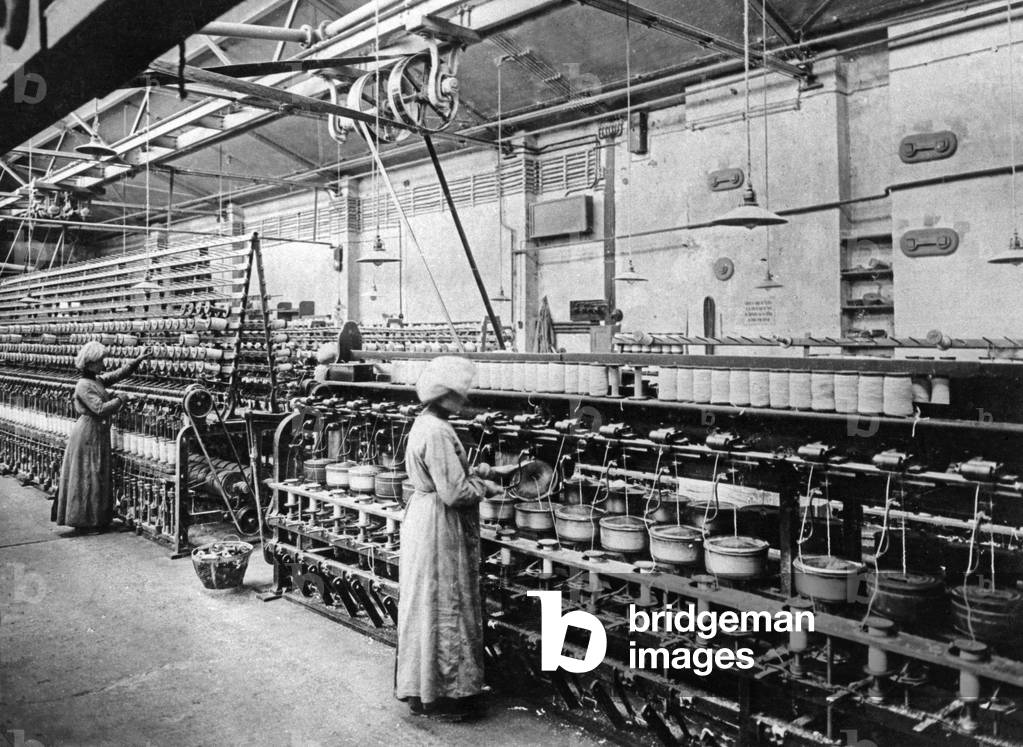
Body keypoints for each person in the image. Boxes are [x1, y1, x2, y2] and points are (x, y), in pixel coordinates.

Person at [395, 356, 503, 721]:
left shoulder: (425, 423)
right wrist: (484, 486)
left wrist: (480, 470)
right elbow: (455, 493)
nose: (466, 399)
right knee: (448, 604)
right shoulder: (439, 431)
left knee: (425, 604)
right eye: (462, 394)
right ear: (450, 396)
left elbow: (448, 473)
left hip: (424, 518)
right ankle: (452, 695)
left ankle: (422, 688)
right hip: (440, 525)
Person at [55, 341, 149, 533]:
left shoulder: (94, 380)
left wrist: (137, 361)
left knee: (96, 474)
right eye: (100, 360)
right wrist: (122, 398)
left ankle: (97, 519)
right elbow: (99, 409)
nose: (103, 364)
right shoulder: (83, 385)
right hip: (88, 434)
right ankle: (86, 522)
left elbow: (116, 375)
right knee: (88, 475)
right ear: (90, 363)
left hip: (98, 432)